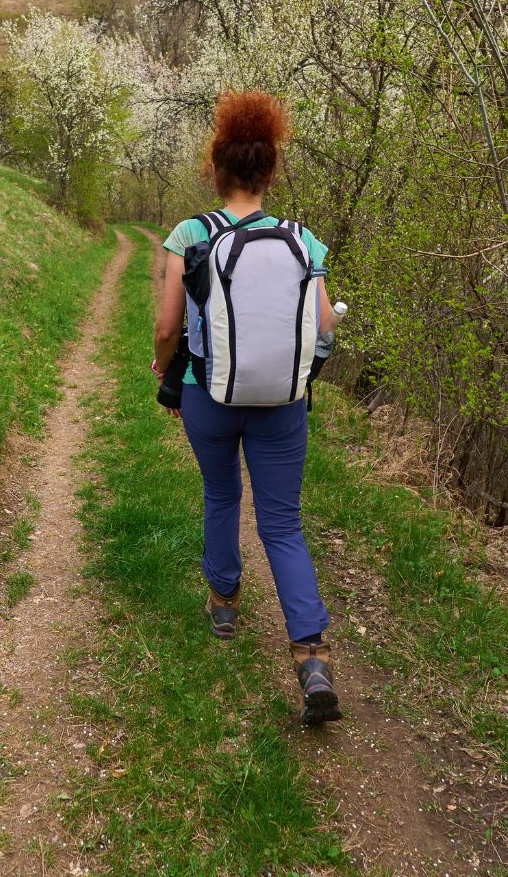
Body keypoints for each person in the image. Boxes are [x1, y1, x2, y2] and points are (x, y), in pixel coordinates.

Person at [150, 90, 342, 726]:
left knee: (221, 495)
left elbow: (167, 327)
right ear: (270, 171)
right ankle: (312, 658)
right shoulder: (303, 242)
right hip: (282, 403)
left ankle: (225, 604)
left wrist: (165, 370)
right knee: (283, 523)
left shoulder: (190, 235)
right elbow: (324, 326)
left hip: (208, 394)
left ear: (215, 168)